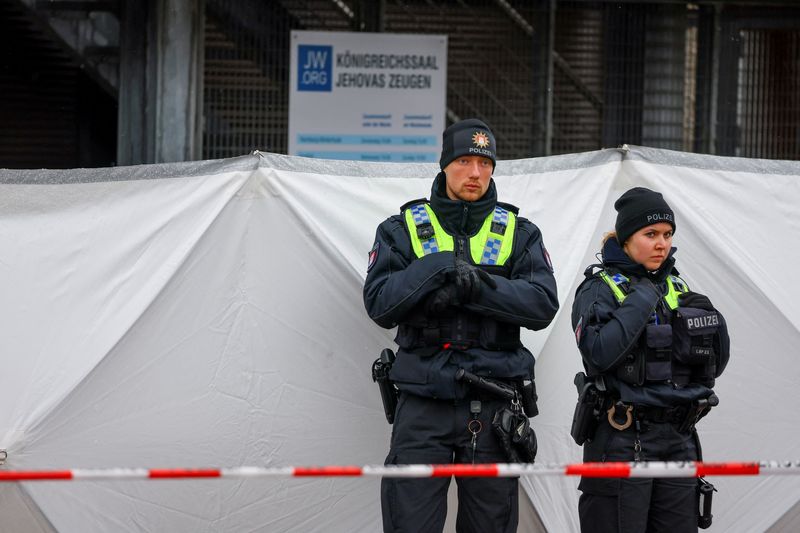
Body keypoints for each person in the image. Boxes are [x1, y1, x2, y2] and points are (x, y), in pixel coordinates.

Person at [363, 118, 559, 533]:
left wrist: (476, 287)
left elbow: (542, 305)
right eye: (465, 161)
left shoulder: (519, 233)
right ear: (444, 164)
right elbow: (380, 304)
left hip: (492, 408)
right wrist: (437, 268)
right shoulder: (402, 229)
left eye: (485, 163)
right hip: (422, 406)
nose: (475, 173)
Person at [570, 187, 730, 533]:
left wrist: (715, 325)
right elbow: (598, 355)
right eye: (651, 234)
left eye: (668, 234)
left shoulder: (676, 285)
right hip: (624, 438)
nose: (662, 243)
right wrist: (642, 298)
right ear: (626, 239)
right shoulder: (599, 289)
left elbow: (713, 366)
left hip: (679, 437)